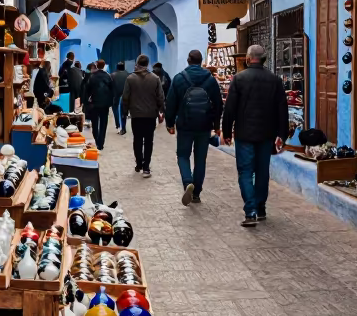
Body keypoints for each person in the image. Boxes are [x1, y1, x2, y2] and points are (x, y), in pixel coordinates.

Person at [222, 42, 289, 226]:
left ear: (247, 58)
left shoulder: (239, 79)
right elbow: (283, 109)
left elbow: (230, 109)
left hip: (244, 134)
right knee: (262, 172)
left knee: (245, 172)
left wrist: (226, 131)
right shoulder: (275, 80)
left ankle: (250, 210)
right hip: (266, 134)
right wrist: (282, 135)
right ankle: (260, 207)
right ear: (264, 59)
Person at [164, 48, 223, 205]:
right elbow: (218, 104)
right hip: (204, 126)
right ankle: (196, 193)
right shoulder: (210, 80)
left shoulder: (179, 78)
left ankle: (187, 182)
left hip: (185, 125)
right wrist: (216, 125)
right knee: (200, 160)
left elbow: (170, 103)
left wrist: (169, 123)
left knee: (183, 156)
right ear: (201, 62)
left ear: (188, 61)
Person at [121, 53, 165, 177]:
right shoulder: (155, 78)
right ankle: (146, 168)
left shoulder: (130, 78)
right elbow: (160, 97)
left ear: (138, 63)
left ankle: (139, 163)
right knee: (149, 141)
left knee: (137, 140)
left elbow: (125, 97)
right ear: (147, 64)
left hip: (136, 115)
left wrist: (125, 112)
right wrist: (162, 111)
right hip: (151, 115)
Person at [84, 59, 114, 150]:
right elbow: (112, 91)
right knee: (103, 124)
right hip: (105, 104)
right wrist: (110, 102)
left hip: (94, 103)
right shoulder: (108, 76)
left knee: (95, 123)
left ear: (97, 65)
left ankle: (96, 140)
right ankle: (101, 143)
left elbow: (87, 90)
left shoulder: (92, 77)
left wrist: (87, 102)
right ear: (104, 65)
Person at [110, 60, 129, 134]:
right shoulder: (128, 74)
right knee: (124, 111)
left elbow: (110, 87)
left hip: (115, 96)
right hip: (126, 96)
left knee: (116, 111)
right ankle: (123, 126)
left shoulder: (112, 75)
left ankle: (118, 125)